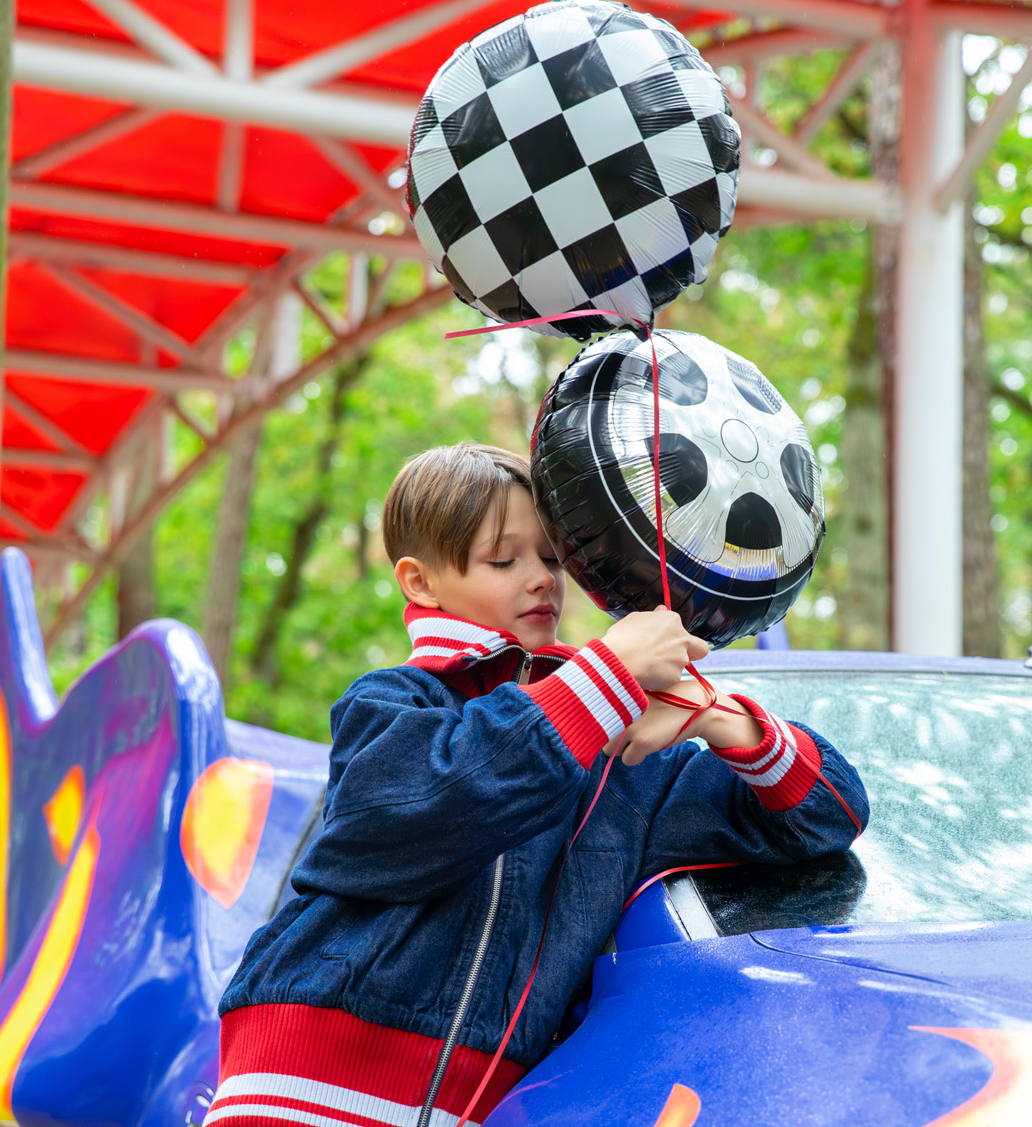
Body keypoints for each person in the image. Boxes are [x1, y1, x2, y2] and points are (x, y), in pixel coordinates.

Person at [212, 444, 868, 1127]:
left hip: (479, 1104)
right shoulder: (392, 703)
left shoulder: (625, 759)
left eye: (554, 560)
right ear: (420, 582)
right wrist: (606, 674)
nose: (540, 581)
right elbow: (443, 800)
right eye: (504, 560)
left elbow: (830, 814)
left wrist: (722, 719)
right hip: (301, 1077)